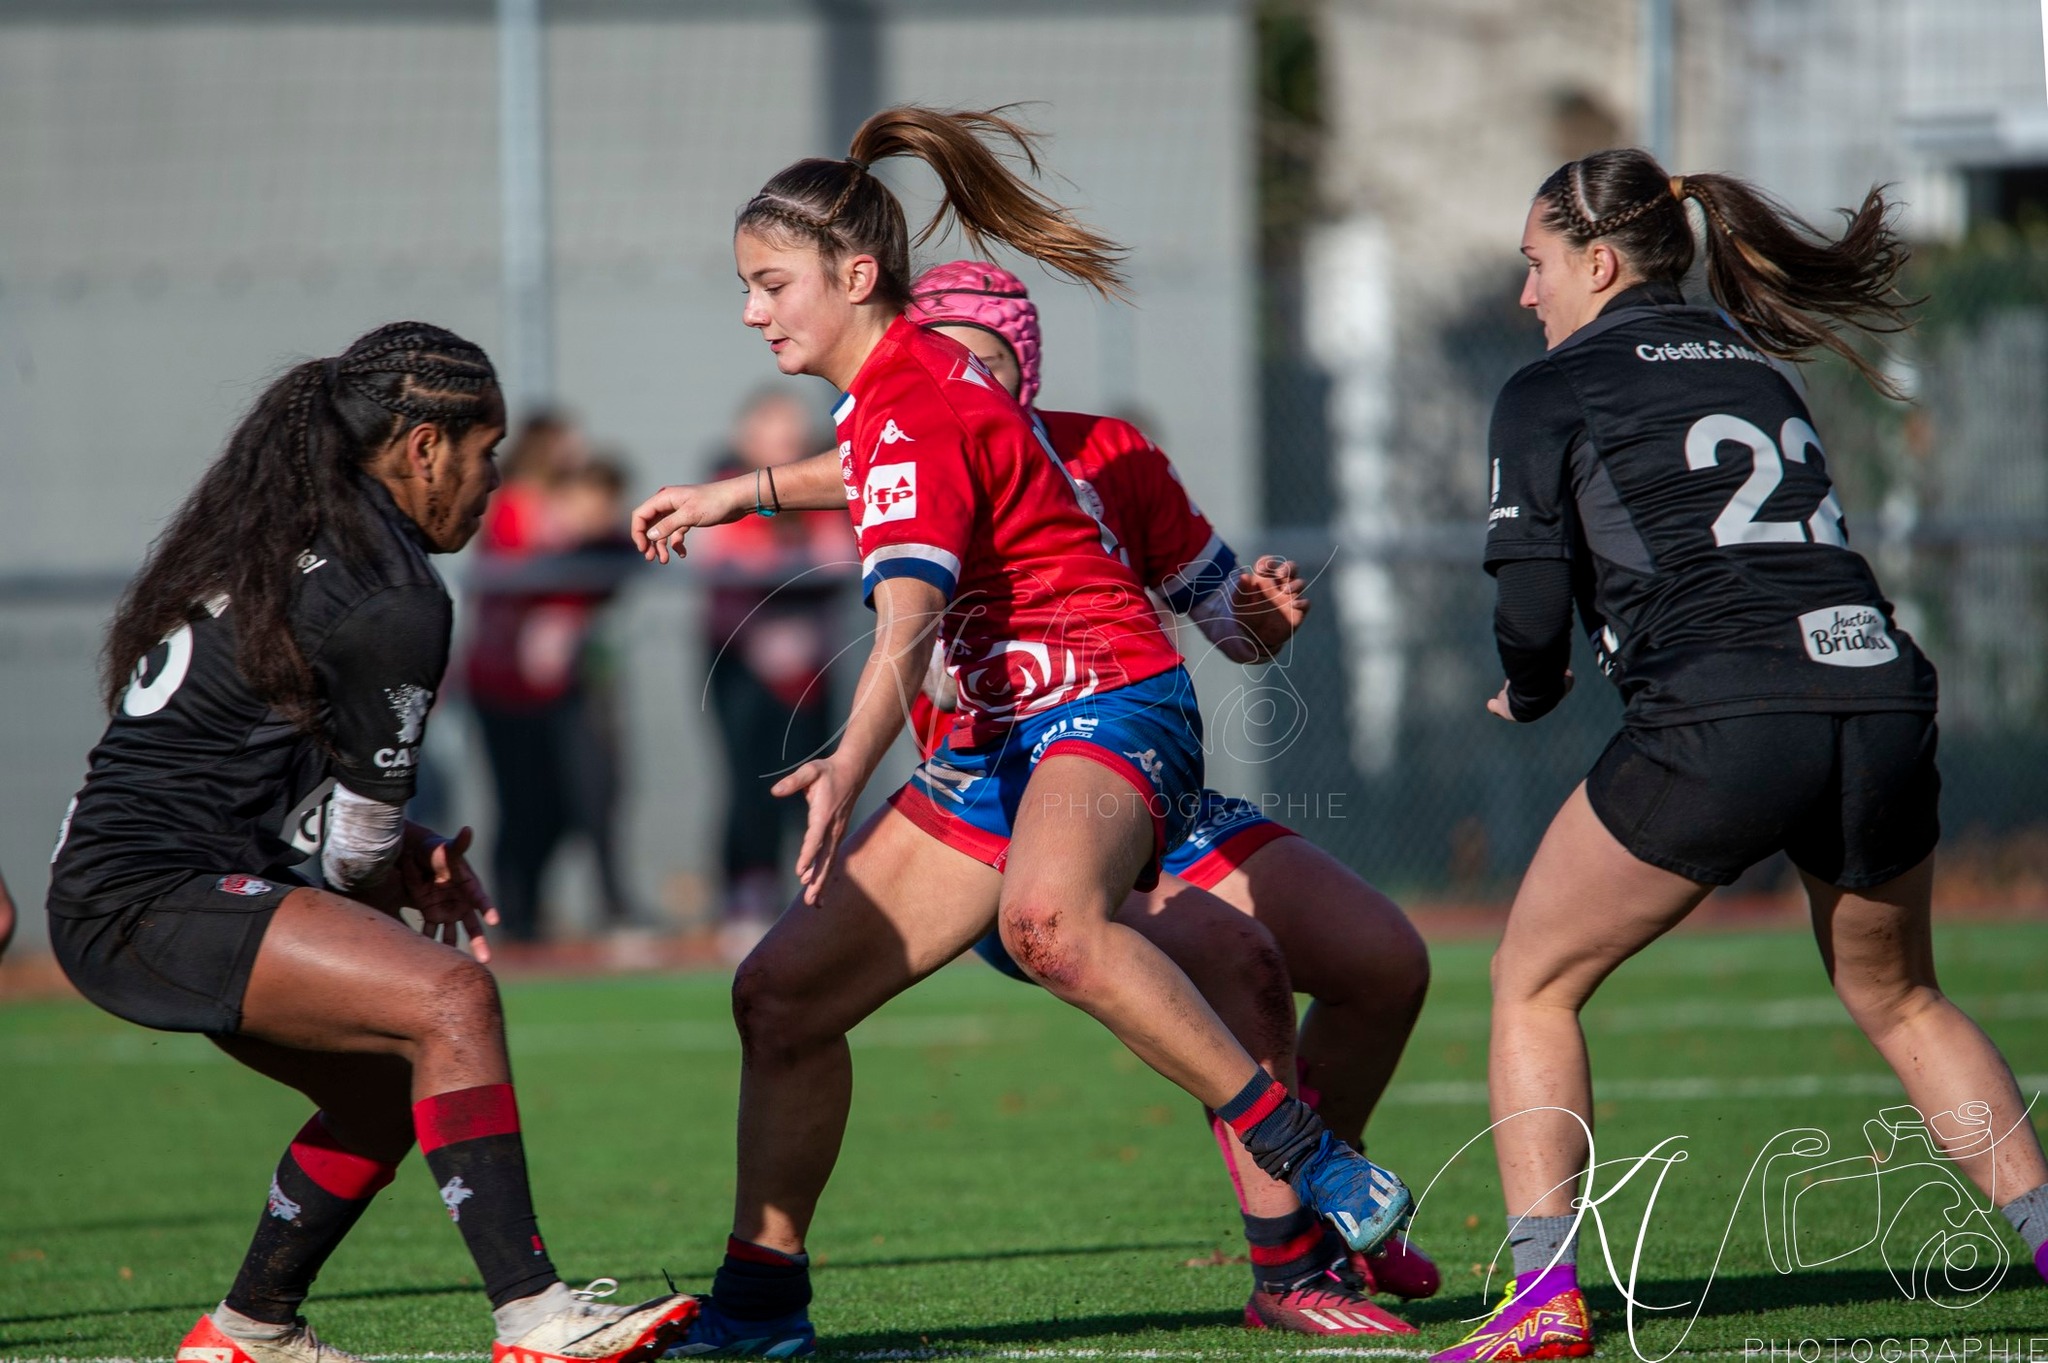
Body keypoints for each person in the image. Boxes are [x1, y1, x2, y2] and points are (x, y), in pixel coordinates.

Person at [632, 107, 1414, 1356]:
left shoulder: (914, 398)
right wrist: (739, 491)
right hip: (1002, 745)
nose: (750, 310)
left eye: (767, 285)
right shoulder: (896, 398)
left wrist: (846, 757)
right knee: (779, 997)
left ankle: (1296, 1151)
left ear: (852, 276)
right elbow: (886, 466)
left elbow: (905, 617)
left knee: (1047, 922)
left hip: (1108, 699)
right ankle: (760, 1309)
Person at [1432, 149, 2048, 1363]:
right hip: (1874, 691)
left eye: (1535, 264)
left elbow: (1528, 601)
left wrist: (1531, 686)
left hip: (1726, 713)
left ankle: (1540, 1297)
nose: (1524, 294)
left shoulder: (1549, 386)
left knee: (1531, 979)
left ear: (1597, 262)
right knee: (1901, 993)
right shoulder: (1751, 365)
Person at [46, 324, 696, 1363]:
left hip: (134, 886)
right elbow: (350, 854)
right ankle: (536, 1317)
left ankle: (250, 1330)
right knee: (449, 996)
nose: (490, 486)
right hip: (152, 897)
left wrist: (398, 847)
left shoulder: (284, 533)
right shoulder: (390, 589)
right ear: (424, 446)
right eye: (485, 455)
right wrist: (393, 860)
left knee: (393, 1083)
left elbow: (270, 772)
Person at [902, 259, 1439, 1334]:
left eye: (984, 360)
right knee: (1243, 966)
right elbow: (902, 650)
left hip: (1142, 781)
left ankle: (1334, 1210)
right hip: (1017, 812)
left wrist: (1262, 620)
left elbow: (1227, 623)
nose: (960, 381)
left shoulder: (1109, 452)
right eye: (939, 361)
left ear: (1025, 363)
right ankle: (1289, 1266)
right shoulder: (910, 464)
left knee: (1384, 961)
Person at [692, 392, 856, 955]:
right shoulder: (728, 488)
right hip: (743, 663)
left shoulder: (822, 489)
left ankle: (810, 890)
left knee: (813, 774)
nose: (786, 440)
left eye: (792, 430)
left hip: (811, 668)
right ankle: (745, 892)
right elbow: (733, 565)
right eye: (771, 429)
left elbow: (840, 557)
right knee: (748, 781)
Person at [462, 415, 638, 940]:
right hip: (505, 685)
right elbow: (536, 565)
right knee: (523, 805)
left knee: (575, 801)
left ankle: (541, 912)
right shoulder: (517, 506)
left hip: (559, 688)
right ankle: (515, 913)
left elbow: (611, 562)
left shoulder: (571, 514)